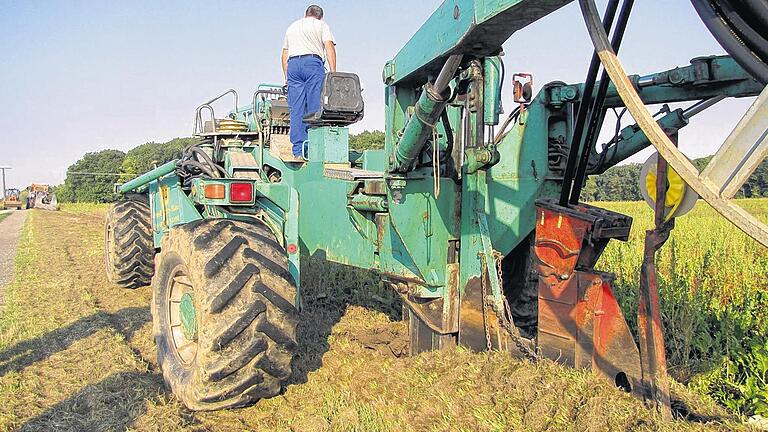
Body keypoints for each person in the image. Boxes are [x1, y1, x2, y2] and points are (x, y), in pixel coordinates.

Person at [281, 5, 337, 159]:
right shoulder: (321, 25)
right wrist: (333, 74)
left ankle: (298, 152)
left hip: (293, 66)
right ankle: (313, 151)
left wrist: (287, 77)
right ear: (320, 16)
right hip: (312, 63)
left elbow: (284, 54)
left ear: (305, 14)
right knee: (314, 107)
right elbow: (329, 47)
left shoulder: (292, 27)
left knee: (296, 108)